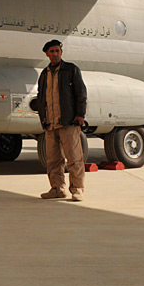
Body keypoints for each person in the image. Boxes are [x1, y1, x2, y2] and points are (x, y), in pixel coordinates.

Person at [36, 39, 87, 201]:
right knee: (53, 160)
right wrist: (43, 117)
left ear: (61, 52)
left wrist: (80, 115)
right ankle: (57, 188)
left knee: (74, 158)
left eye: (57, 51)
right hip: (50, 123)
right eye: (52, 51)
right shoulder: (44, 74)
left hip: (68, 122)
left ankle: (77, 189)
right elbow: (41, 97)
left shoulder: (71, 70)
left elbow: (81, 93)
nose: (55, 54)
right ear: (47, 54)